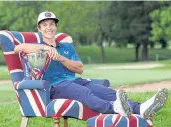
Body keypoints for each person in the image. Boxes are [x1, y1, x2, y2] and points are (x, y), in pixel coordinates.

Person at [14, 11, 168, 119]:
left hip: (74, 80)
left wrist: (60, 58)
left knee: (108, 93)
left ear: (56, 27)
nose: (49, 27)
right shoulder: (35, 45)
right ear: (39, 28)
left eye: (52, 24)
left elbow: (79, 68)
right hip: (55, 86)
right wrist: (45, 48)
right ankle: (114, 108)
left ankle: (142, 108)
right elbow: (18, 48)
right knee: (84, 93)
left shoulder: (66, 47)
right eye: (45, 24)